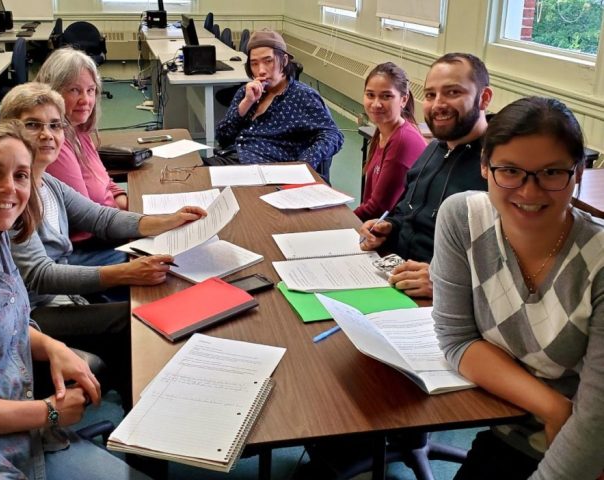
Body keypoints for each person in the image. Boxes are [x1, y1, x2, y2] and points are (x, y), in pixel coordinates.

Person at [0, 122, 173, 480]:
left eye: (20, 176)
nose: (9, 188)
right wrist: (46, 412)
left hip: (25, 438)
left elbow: (6, 316)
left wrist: (52, 347)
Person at [432, 96, 604, 480]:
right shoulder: (462, 219)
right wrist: (555, 407)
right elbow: (456, 340)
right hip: (515, 431)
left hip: (590, 448)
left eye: (551, 172)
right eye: (509, 170)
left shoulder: (597, 263)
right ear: (484, 167)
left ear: (577, 172)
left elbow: (596, 421)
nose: (529, 191)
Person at [0, 82, 206, 405]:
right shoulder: (12, 195)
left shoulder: (47, 181)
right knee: (131, 320)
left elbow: (102, 218)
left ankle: (136, 399)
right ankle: (140, 427)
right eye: (33, 125)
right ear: (8, 130)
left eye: (55, 125)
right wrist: (123, 274)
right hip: (30, 313)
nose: (47, 135)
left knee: (140, 306)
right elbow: (39, 275)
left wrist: (167, 220)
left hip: (59, 299)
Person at [358, 52, 493, 298]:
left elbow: (511, 262)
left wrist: (445, 281)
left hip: (441, 300)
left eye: (453, 92)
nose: (438, 104)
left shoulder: (500, 167)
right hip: (396, 276)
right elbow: (403, 212)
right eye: (431, 95)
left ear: (484, 98)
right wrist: (388, 227)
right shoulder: (433, 149)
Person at [206, 29, 344, 182]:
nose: (261, 70)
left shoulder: (302, 96)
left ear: (284, 61)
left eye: (268, 61)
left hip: (266, 173)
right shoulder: (247, 92)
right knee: (187, 178)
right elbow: (222, 138)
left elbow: (333, 135)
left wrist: (303, 164)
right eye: (254, 64)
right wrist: (246, 103)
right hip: (232, 161)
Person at [35, 47, 126, 252]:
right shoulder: (55, 146)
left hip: (108, 225)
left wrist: (131, 206)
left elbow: (106, 183)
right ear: (52, 93)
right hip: (86, 243)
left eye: (91, 90)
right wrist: (136, 219)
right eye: (74, 90)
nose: (86, 100)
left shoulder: (79, 130)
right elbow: (87, 218)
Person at [354, 62, 427, 221]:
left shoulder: (402, 141)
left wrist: (341, 221)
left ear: (403, 99)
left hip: (392, 234)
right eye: (370, 95)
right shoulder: (382, 130)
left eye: (386, 96)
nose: (376, 104)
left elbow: (378, 209)